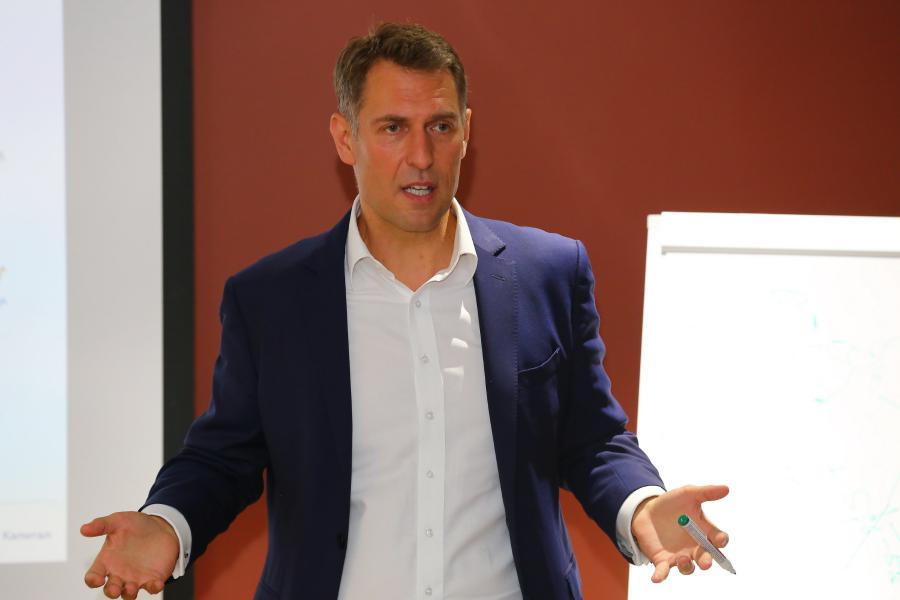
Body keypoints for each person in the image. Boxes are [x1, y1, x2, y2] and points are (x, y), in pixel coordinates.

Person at [81, 22, 730, 600]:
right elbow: (223, 458)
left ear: (466, 132)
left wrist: (641, 505)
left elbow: (593, 440)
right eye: (393, 128)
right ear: (345, 138)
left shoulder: (549, 273)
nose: (421, 156)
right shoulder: (271, 299)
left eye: (440, 126)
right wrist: (166, 522)